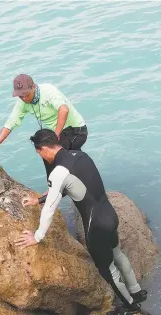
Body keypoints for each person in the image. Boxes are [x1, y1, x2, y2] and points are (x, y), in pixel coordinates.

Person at [14, 129, 147, 315]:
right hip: (109, 214)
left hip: (96, 226)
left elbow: (51, 208)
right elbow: (73, 185)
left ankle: (132, 306)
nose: (41, 157)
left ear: (43, 149)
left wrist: (37, 236)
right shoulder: (81, 156)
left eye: (39, 154)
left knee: (109, 271)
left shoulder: (58, 172)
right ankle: (137, 292)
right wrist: (38, 200)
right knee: (118, 255)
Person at [0, 74, 88, 182]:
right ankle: (84, 177)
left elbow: (64, 110)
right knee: (75, 162)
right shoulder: (22, 103)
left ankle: (52, 188)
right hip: (61, 133)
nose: (25, 98)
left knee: (47, 151)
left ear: (33, 86)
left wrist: (55, 136)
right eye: (21, 95)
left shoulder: (48, 90)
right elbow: (9, 125)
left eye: (26, 94)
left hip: (76, 130)